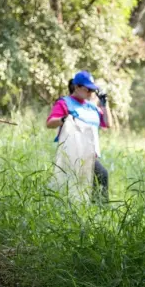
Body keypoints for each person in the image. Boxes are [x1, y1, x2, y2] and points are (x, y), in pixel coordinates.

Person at [47, 71, 112, 202]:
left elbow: (108, 124)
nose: (90, 93)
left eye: (93, 90)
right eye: (88, 89)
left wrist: (105, 105)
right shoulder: (64, 103)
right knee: (82, 182)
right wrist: (64, 119)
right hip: (71, 154)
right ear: (76, 87)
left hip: (90, 155)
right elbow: (50, 123)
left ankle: (97, 212)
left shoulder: (91, 107)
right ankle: (97, 210)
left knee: (95, 180)